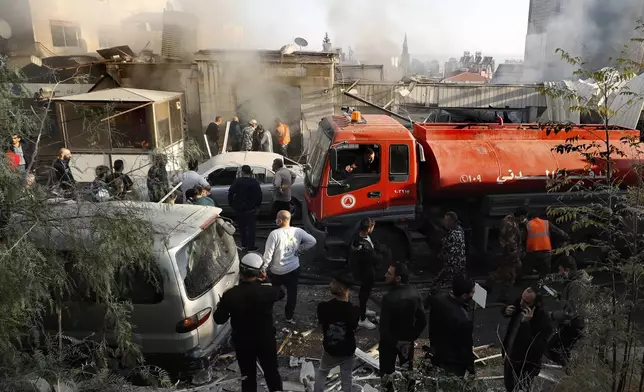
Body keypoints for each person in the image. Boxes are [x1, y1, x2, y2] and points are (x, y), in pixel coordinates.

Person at [213, 252, 284, 392]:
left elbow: (219, 319)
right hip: (265, 340)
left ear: (241, 269)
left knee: (247, 376)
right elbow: (281, 293)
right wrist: (266, 279)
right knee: (271, 372)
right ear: (259, 272)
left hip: (243, 342)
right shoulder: (267, 291)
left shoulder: (230, 294)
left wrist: (221, 305)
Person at [262, 210, 317, 323]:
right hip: (293, 269)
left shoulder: (274, 234)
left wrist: (263, 269)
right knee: (292, 293)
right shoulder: (298, 231)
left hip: (277, 271)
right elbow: (312, 241)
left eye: (277, 218)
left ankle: (268, 314)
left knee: (272, 293)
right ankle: (289, 316)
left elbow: (268, 254)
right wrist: (299, 250)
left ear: (280, 220)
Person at [379, 263, 426, 392]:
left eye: (389, 273)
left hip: (390, 342)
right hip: (406, 341)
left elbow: (383, 326)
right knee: (407, 370)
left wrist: (388, 341)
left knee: (386, 373)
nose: (385, 275)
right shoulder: (414, 293)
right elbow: (422, 320)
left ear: (398, 278)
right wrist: (413, 335)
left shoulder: (389, 298)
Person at [314, 274, 360, 392]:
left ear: (341, 289)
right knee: (346, 376)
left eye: (333, 283)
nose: (330, 285)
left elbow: (322, 324)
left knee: (322, 373)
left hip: (330, 349)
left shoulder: (323, 307)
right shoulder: (353, 311)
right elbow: (353, 328)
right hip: (347, 351)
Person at [502, 287, 552, 392]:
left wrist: (526, 324)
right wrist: (505, 310)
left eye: (525, 302)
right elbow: (509, 307)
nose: (520, 303)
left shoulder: (543, 321)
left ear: (535, 304)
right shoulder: (521, 303)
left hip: (525, 366)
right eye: (521, 298)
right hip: (510, 357)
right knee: (509, 387)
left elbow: (535, 349)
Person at [427, 276, 475, 378]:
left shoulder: (437, 300)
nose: (473, 294)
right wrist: (471, 369)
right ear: (464, 295)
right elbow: (466, 349)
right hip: (454, 363)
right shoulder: (463, 319)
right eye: (472, 292)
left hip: (436, 353)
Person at [546, 256, 590, 366]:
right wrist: (561, 297)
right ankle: (571, 370)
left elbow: (571, 312)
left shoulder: (576, 285)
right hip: (575, 323)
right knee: (560, 349)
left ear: (567, 270)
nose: (559, 273)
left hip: (575, 325)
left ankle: (571, 371)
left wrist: (552, 315)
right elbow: (574, 301)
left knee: (553, 349)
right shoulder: (574, 281)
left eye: (560, 270)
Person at [348, 218, 382, 330]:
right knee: (364, 293)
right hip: (366, 272)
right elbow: (374, 258)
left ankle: (364, 309)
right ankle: (362, 319)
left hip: (365, 271)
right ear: (368, 228)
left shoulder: (359, 237)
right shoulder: (363, 245)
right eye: (372, 227)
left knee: (365, 293)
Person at [489, 206, 528, 302]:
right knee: (510, 276)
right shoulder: (511, 225)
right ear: (521, 216)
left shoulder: (508, 220)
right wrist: (517, 259)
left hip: (504, 253)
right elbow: (511, 244)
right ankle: (503, 297)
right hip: (509, 255)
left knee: (501, 272)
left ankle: (488, 283)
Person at [524, 212, 568, 279]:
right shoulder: (546, 222)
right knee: (545, 271)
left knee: (528, 267)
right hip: (545, 250)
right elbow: (557, 231)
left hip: (532, 251)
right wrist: (566, 236)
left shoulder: (528, 224)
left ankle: (527, 279)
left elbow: (523, 237)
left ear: (530, 218)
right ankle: (543, 281)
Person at [228, 165, 263, 251]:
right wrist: (258, 206)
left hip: (239, 208)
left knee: (241, 227)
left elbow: (230, 193)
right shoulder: (254, 182)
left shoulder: (237, 182)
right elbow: (259, 195)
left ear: (242, 172)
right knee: (251, 228)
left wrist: (232, 204)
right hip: (251, 208)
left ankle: (244, 244)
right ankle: (251, 246)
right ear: (250, 172)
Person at [432, 211, 467, 295]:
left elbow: (444, 248)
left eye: (446, 221)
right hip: (461, 263)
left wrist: (439, 257)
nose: (444, 222)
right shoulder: (460, 230)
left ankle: (430, 299)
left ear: (451, 222)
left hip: (452, 265)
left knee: (437, 281)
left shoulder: (452, 234)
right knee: (463, 282)